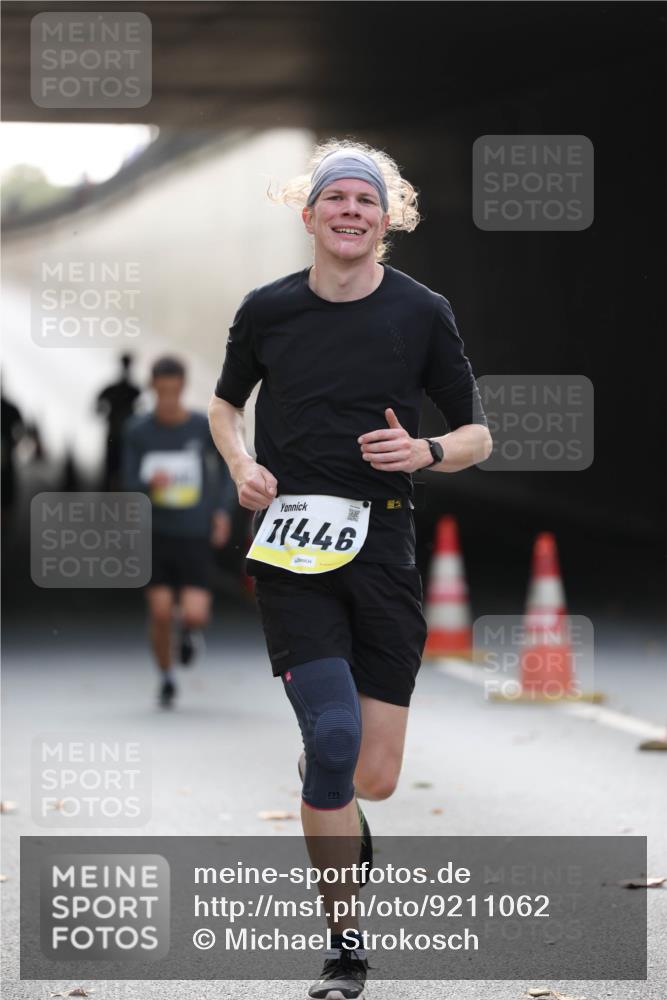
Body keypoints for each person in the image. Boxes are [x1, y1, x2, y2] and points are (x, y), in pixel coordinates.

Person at [208, 140, 492, 999]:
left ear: (385, 219)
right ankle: (344, 948)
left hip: (385, 547)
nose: (349, 212)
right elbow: (226, 406)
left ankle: (323, 783)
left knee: (373, 776)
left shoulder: (420, 311)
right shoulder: (268, 311)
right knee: (334, 744)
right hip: (291, 547)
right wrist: (240, 464)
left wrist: (426, 447)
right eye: (334, 198)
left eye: (365, 202)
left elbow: (478, 434)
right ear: (310, 214)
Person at [123, 356, 235, 707]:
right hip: (156, 532)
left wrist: (220, 512)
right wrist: (146, 484)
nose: (169, 398)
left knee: (194, 612)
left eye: (175, 391)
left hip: (194, 531)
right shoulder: (138, 431)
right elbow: (127, 483)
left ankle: (188, 633)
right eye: (162, 391)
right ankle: (167, 676)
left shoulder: (201, 428)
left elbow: (228, 468)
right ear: (153, 388)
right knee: (158, 612)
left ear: (182, 388)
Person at [96, 353, 141, 490]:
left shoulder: (123, 390)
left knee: (116, 469)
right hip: (118, 434)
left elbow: (98, 408)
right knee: (115, 469)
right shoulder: (133, 390)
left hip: (121, 434)